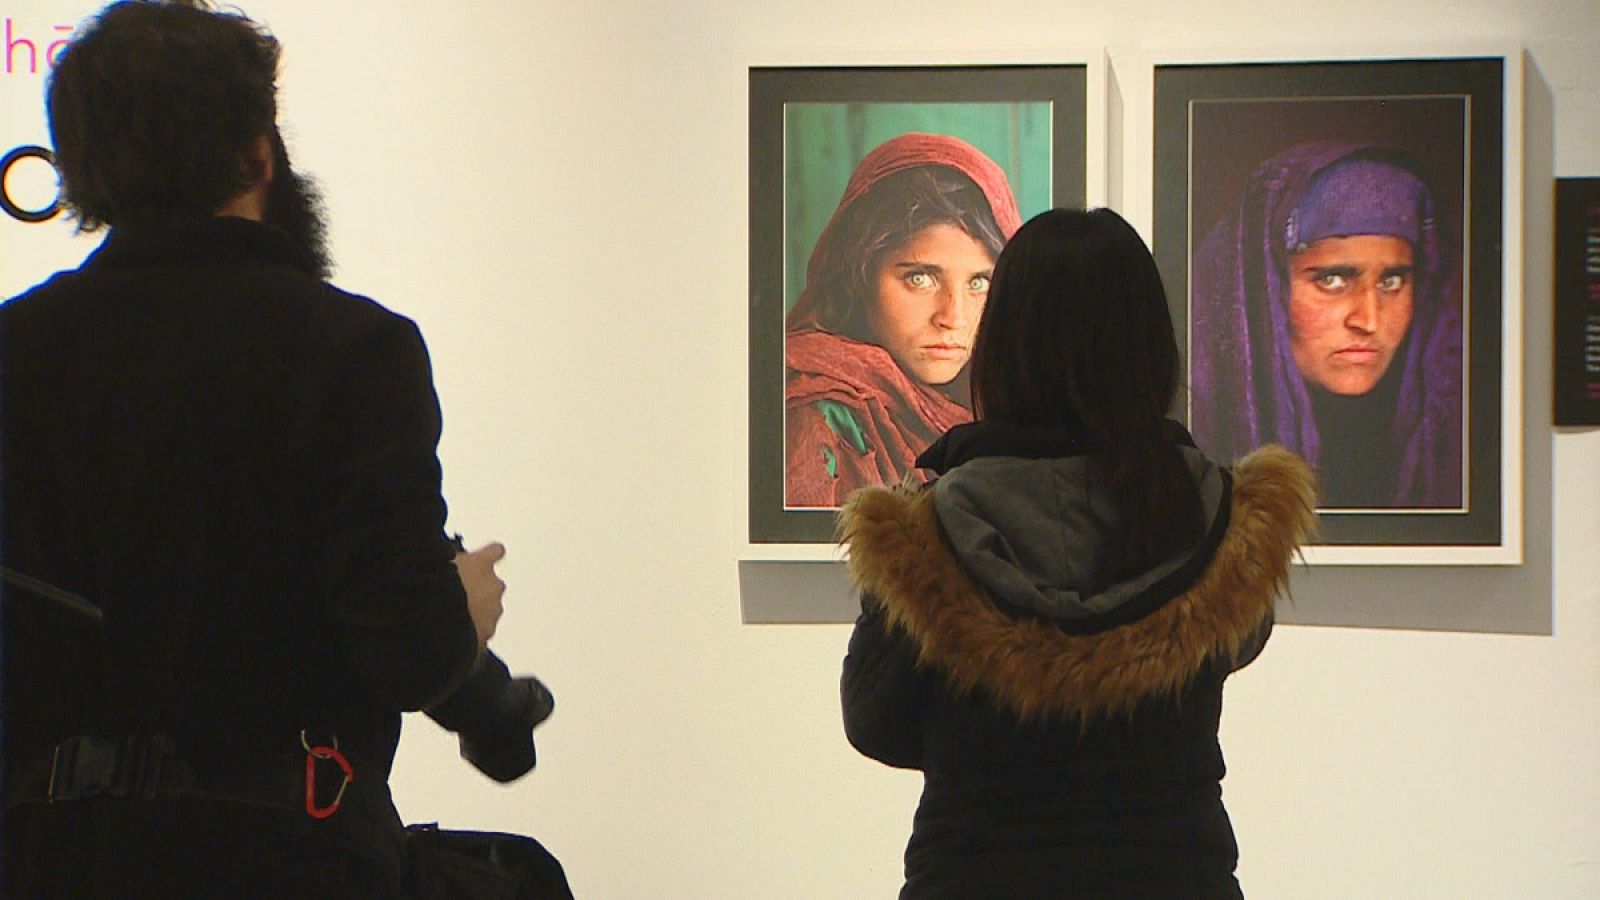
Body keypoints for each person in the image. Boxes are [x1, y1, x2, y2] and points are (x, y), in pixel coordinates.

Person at [0, 2, 529, 895]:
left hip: (49, 858)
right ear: (256, 154)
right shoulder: (354, 349)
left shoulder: (16, 352)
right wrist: (461, 614)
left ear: (83, 173)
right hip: (283, 858)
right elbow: (406, 648)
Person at [839, 208, 1318, 898]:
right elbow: (1237, 646)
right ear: (1150, 346)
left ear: (1004, 343)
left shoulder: (930, 531)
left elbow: (876, 722)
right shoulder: (1218, 516)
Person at [1189, 141, 1463, 508]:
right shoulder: (1196, 439)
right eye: (1333, 280)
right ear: (1265, 287)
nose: (1368, 320)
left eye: (1392, 281)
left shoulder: (1453, 440)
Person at [784, 132, 1022, 507]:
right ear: (859, 275)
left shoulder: (1006, 410)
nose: (953, 317)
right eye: (920, 278)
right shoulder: (817, 419)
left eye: (980, 282)